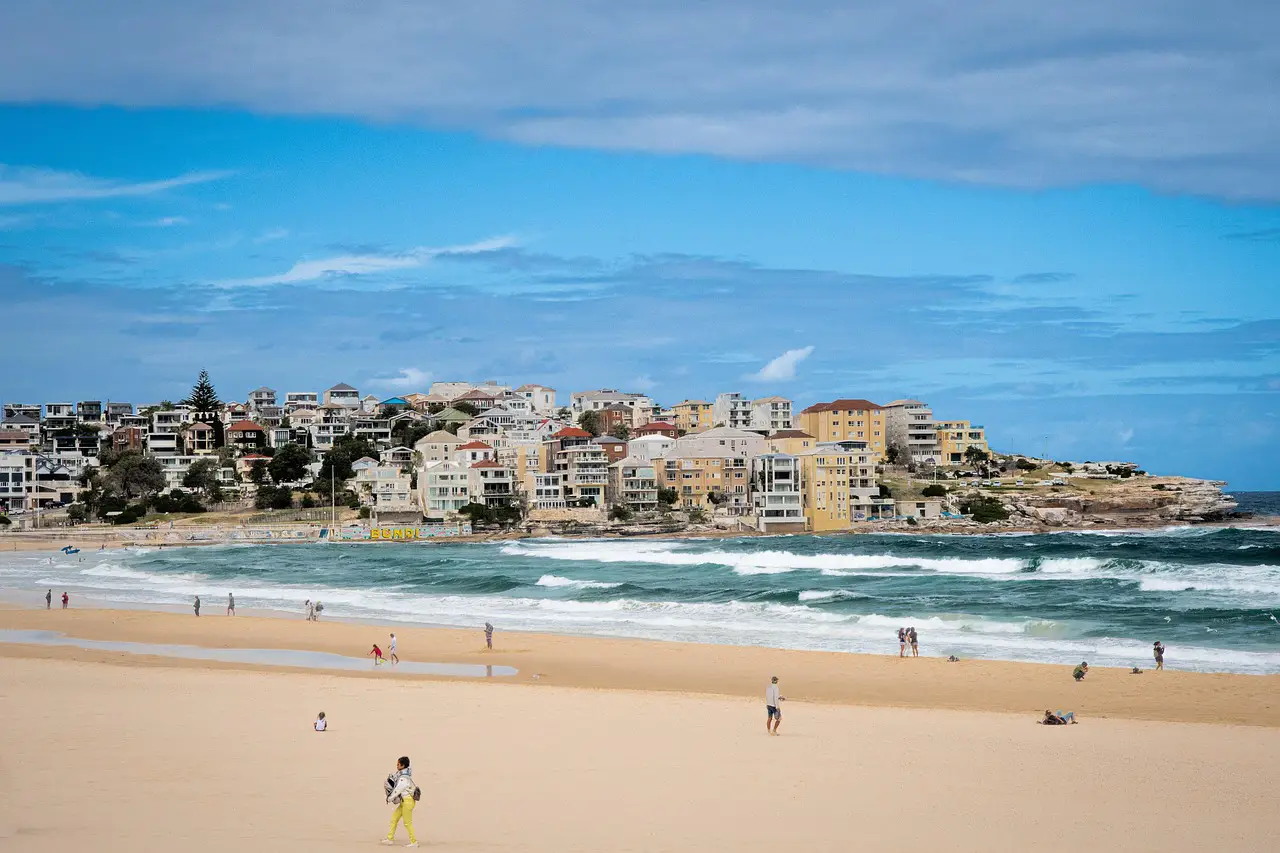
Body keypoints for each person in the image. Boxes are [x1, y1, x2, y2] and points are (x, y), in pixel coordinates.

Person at [383, 756, 419, 847]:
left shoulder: (404, 778)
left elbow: (397, 790)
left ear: (403, 766)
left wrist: (389, 798)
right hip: (404, 802)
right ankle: (390, 838)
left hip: (407, 802)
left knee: (407, 823)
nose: (397, 766)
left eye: (398, 764)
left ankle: (414, 841)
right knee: (394, 819)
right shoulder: (403, 775)